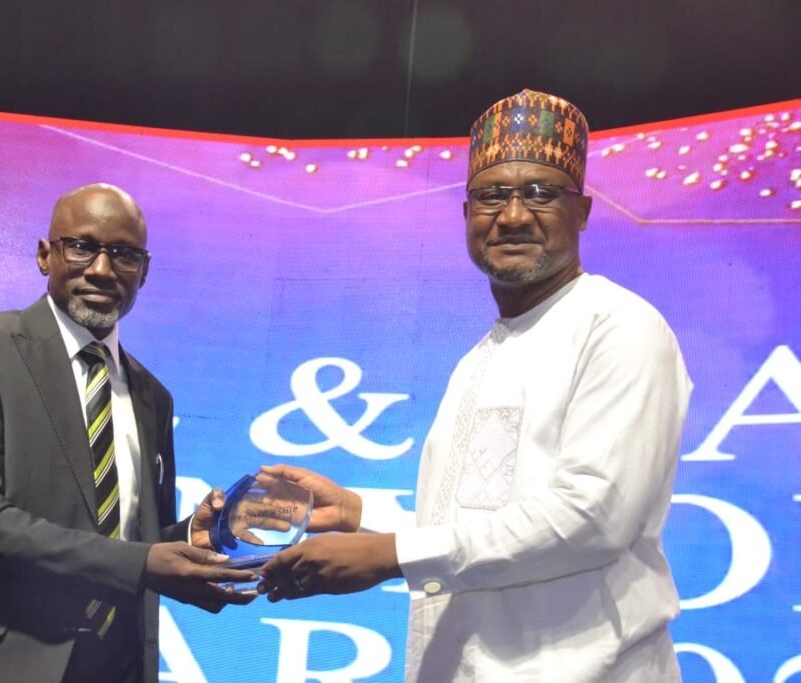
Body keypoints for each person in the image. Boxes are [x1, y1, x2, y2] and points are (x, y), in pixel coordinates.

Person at [258, 90, 692, 682]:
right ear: (467, 214)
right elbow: (475, 516)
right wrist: (358, 512)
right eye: (491, 196)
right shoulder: (482, 354)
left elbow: (593, 517)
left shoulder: (619, 326)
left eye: (540, 193)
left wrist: (390, 555)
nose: (512, 216)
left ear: (583, 211)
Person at [0, 183, 258, 683]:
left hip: (111, 666)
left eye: (124, 254)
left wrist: (194, 534)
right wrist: (143, 561)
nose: (102, 269)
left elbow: (132, 544)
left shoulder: (153, 396)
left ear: (144, 271)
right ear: (46, 255)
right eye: (82, 247)